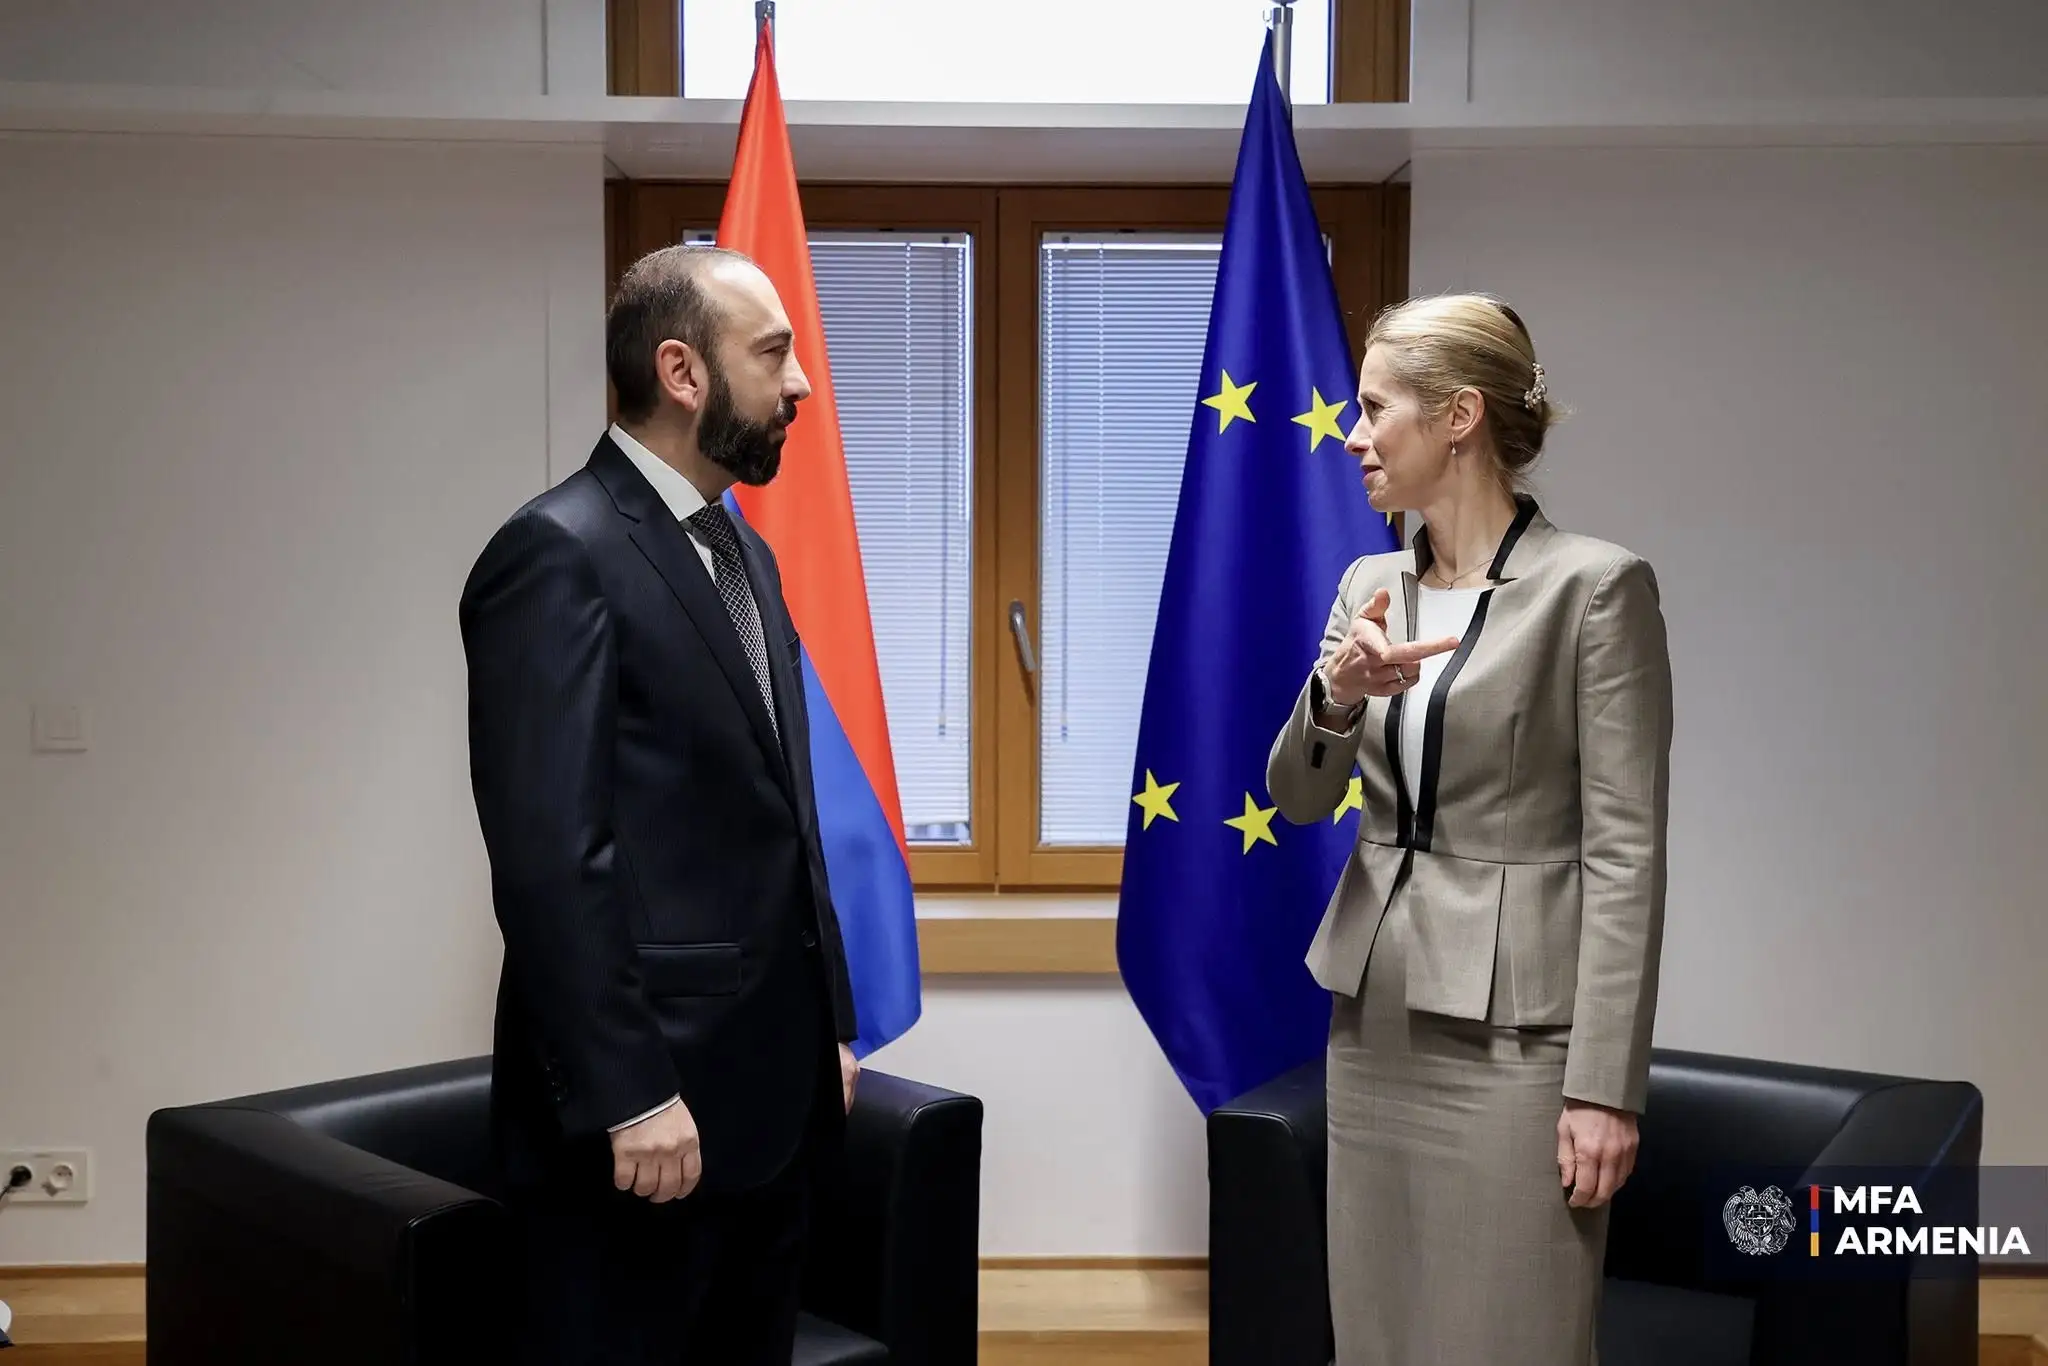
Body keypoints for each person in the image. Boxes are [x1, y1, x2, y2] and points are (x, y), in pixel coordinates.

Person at [460, 243, 862, 1366]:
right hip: (642, 1125)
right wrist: (630, 1093)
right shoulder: (556, 552)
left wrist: (825, 1023)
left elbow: (779, 816)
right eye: (773, 353)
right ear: (682, 372)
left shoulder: (742, 553)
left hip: (767, 1105)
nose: (800, 384)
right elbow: (550, 858)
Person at [1266, 293, 1673, 1365]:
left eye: (1374, 408)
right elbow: (1298, 796)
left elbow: (1625, 856)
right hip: (1374, 1020)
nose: (1353, 434)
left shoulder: (1594, 589)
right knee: (1378, 1330)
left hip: (1516, 1039)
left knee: (1512, 1331)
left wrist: (1603, 1086)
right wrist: (1337, 696)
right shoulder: (1369, 584)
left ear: (1458, 416)